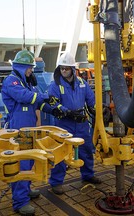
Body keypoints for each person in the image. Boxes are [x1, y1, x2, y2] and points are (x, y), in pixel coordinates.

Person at [1, 49, 54, 216]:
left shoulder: (26, 82)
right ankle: (20, 202)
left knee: (28, 161)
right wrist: (43, 96)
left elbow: (35, 100)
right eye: (30, 68)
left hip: (27, 127)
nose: (32, 70)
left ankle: (26, 190)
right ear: (22, 67)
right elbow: (26, 97)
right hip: (18, 128)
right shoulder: (12, 82)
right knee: (22, 163)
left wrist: (53, 107)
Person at [47, 52, 101, 195]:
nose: (64, 71)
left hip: (81, 124)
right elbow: (53, 103)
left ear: (73, 69)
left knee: (86, 150)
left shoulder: (82, 84)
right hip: (64, 124)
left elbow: (91, 100)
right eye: (62, 68)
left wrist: (98, 111)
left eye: (67, 68)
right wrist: (68, 112)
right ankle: (56, 183)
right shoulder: (55, 85)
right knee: (60, 154)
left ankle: (88, 175)